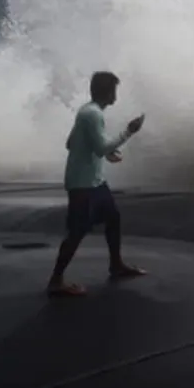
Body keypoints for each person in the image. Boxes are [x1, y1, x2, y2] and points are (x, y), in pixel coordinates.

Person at [46, 71, 148, 297]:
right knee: (76, 232)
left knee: (113, 218)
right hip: (83, 184)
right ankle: (56, 280)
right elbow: (99, 147)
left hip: (94, 182)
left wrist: (106, 151)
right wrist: (128, 132)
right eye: (114, 90)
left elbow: (71, 142)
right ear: (108, 92)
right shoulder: (93, 115)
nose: (116, 95)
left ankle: (116, 265)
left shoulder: (87, 111)